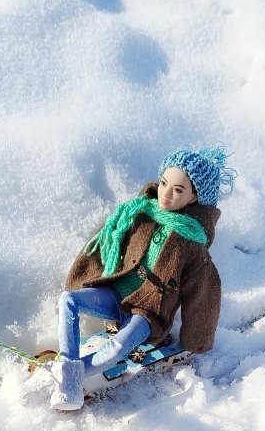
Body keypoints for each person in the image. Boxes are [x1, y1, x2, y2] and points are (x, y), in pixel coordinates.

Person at [35, 145, 234, 411]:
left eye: (178, 190)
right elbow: (108, 239)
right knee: (68, 300)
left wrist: (196, 340)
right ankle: (69, 371)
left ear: (193, 198)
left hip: (148, 312)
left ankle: (65, 376)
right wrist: (88, 273)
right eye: (164, 183)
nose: (166, 193)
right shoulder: (140, 212)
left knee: (118, 349)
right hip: (117, 294)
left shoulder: (191, 243)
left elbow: (204, 291)